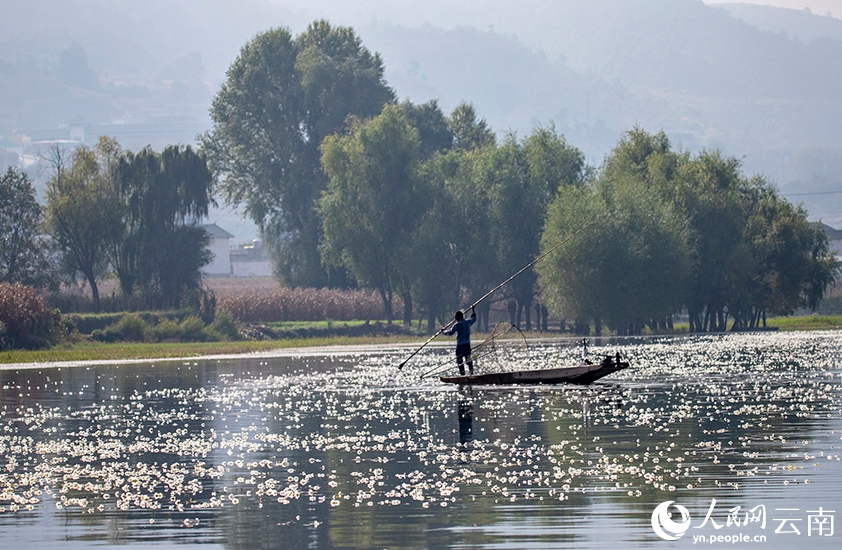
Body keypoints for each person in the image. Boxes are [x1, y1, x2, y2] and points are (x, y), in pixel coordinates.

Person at [443, 306, 477, 375]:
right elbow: (474, 318)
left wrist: (443, 331)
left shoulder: (457, 324)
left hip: (460, 346)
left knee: (459, 361)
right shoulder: (468, 322)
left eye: (455, 317)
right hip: (467, 345)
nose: (455, 318)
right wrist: (473, 310)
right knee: (468, 360)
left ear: (458, 317)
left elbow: (451, 332)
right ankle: (471, 373)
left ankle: (462, 375)